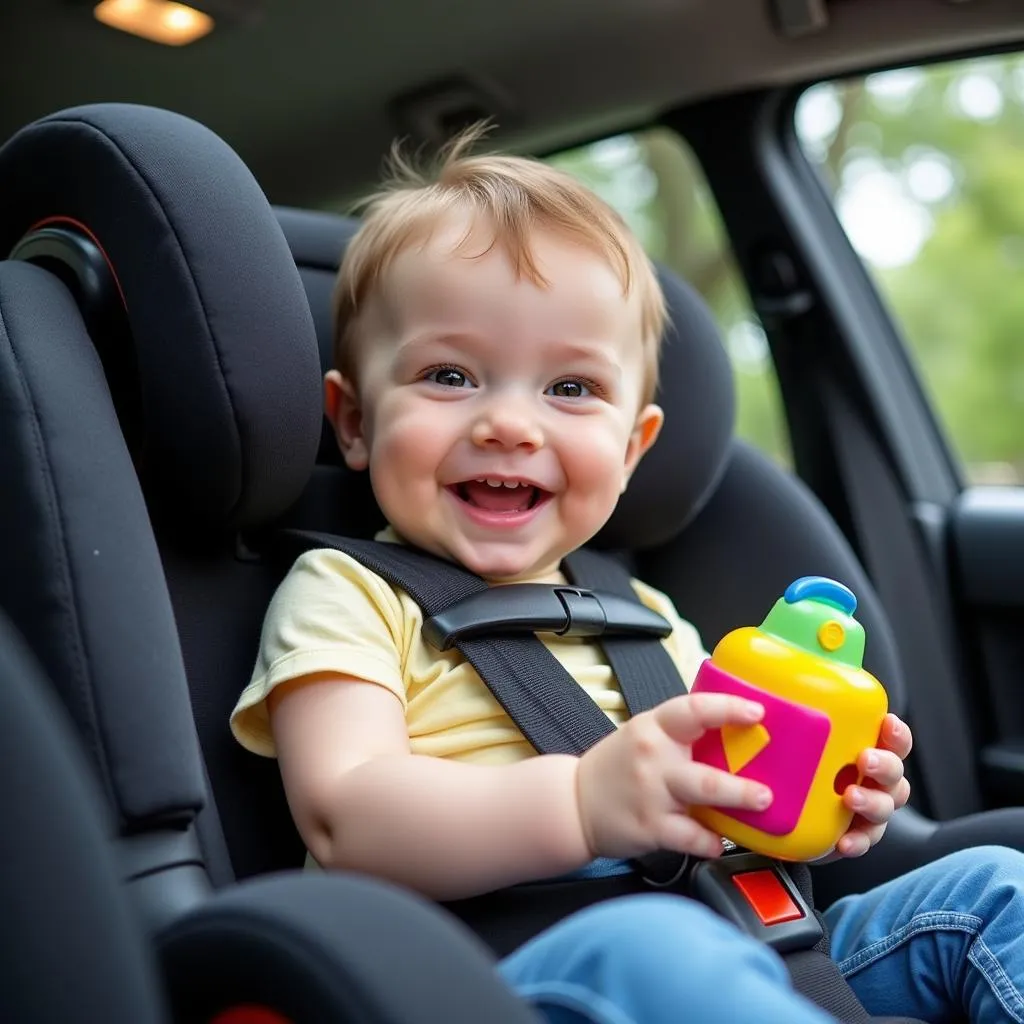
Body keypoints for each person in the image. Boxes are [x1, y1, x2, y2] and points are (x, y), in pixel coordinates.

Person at [231, 128, 1024, 1024]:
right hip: (497, 974)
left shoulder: (646, 615)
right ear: (354, 421)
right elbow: (347, 816)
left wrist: (815, 808)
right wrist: (579, 803)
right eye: (449, 375)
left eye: (569, 389)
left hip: (736, 946)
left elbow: (715, 810)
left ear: (634, 444)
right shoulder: (347, 590)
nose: (509, 425)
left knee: (998, 891)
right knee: (659, 948)